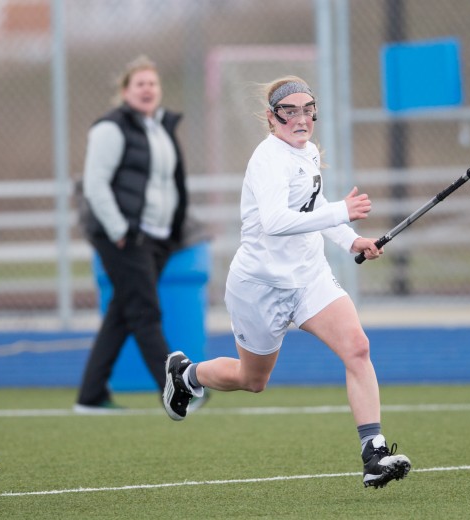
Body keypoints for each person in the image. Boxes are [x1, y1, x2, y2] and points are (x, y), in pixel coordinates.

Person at [160, 76, 412, 489]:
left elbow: (312, 212)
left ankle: (374, 453)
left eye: (307, 109)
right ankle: (186, 376)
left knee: (358, 347)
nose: (300, 118)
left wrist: (352, 240)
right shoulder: (268, 160)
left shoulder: (308, 152)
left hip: (310, 278)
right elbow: (277, 222)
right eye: (289, 111)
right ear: (272, 117)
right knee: (252, 380)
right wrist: (341, 213)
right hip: (260, 287)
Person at [74, 56, 205, 413]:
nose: (148, 89)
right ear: (125, 91)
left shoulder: (160, 127)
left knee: (123, 312)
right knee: (145, 313)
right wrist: (119, 229)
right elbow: (95, 184)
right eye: (140, 84)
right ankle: (176, 391)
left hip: (158, 238)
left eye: (153, 84)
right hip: (124, 237)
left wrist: (173, 230)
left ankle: (91, 395)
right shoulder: (111, 128)